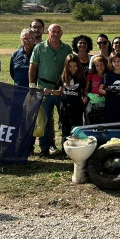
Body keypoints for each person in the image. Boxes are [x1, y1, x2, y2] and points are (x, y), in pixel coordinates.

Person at [29, 24, 72, 156]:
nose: (55, 34)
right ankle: (44, 148)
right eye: (53, 31)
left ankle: (66, 148)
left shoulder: (66, 49)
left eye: (58, 32)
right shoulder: (39, 47)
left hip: (61, 89)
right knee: (44, 120)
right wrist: (32, 85)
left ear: (61, 34)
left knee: (65, 119)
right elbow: (33, 67)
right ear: (48, 32)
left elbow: (71, 68)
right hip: (43, 88)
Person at [43, 54, 86, 143]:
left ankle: (76, 147)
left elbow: (84, 92)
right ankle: (65, 148)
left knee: (76, 128)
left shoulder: (81, 78)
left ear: (78, 65)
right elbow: (60, 92)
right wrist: (49, 91)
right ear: (66, 66)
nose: (72, 68)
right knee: (65, 128)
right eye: (70, 66)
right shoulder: (63, 77)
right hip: (65, 108)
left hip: (77, 108)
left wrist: (86, 98)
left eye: (75, 66)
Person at [100, 52, 120, 123]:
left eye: (118, 61)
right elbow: (100, 89)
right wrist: (108, 92)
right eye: (114, 61)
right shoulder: (108, 75)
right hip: (110, 106)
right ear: (111, 62)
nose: (116, 63)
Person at [85, 55, 107, 124]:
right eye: (97, 66)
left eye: (101, 65)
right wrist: (90, 95)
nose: (100, 67)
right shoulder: (91, 76)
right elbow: (85, 90)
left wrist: (104, 98)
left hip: (103, 104)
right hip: (92, 103)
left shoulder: (108, 76)